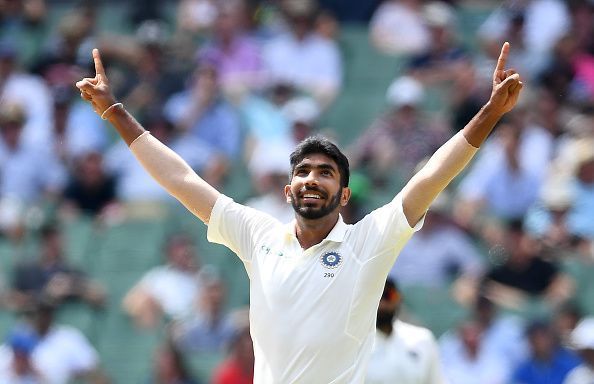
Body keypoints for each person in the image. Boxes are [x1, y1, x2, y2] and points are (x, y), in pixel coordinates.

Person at [76, 40, 523, 383]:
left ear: (344, 194)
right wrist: (116, 113)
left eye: (326, 173)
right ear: (288, 190)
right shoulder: (259, 235)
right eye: (303, 171)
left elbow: (431, 178)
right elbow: (181, 179)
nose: (312, 178)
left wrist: (490, 112)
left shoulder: (369, 242)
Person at [366, 278, 446, 384]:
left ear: (398, 298)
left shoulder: (423, 338)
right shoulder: (355, 344)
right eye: (378, 296)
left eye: (388, 295)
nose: (383, 304)